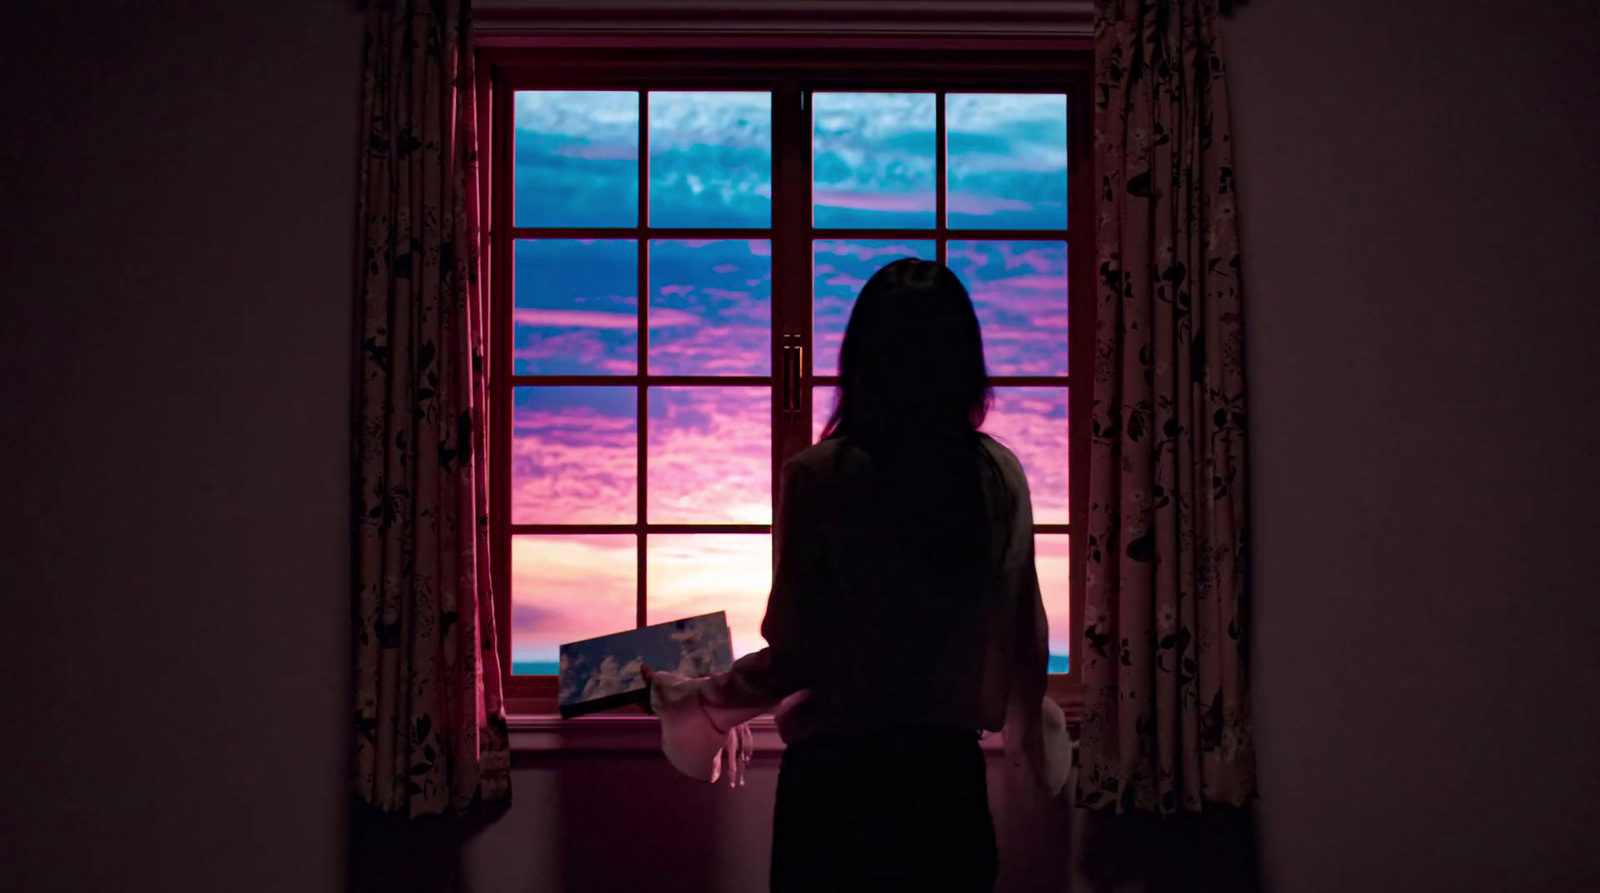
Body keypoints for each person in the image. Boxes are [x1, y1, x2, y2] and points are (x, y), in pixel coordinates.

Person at [643, 258, 1069, 893]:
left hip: (835, 796)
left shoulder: (822, 476)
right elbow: (1024, 634)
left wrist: (705, 701)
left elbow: (798, 656)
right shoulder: (999, 475)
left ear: (861, 362)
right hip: (948, 791)